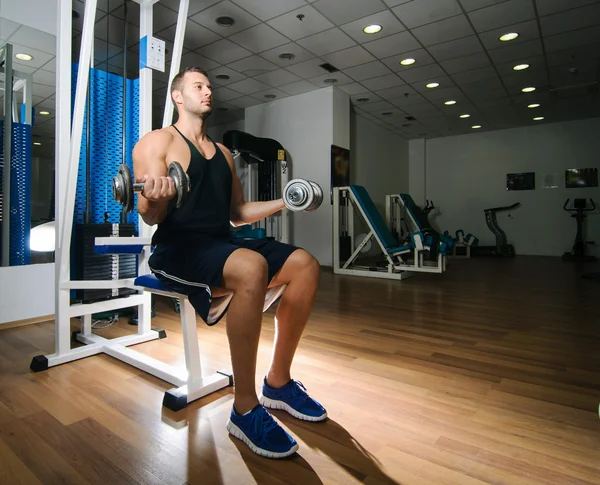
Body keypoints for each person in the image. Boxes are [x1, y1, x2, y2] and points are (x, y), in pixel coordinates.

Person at [132, 66, 326, 459]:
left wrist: (285, 200)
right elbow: (149, 215)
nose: (207, 92)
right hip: (177, 248)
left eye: (209, 86)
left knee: (305, 263)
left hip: (222, 243)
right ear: (177, 97)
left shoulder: (222, 153)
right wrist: (156, 195)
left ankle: (278, 381)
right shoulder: (156, 142)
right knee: (251, 265)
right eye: (198, 86)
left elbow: (237, 212)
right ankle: (244, 407)